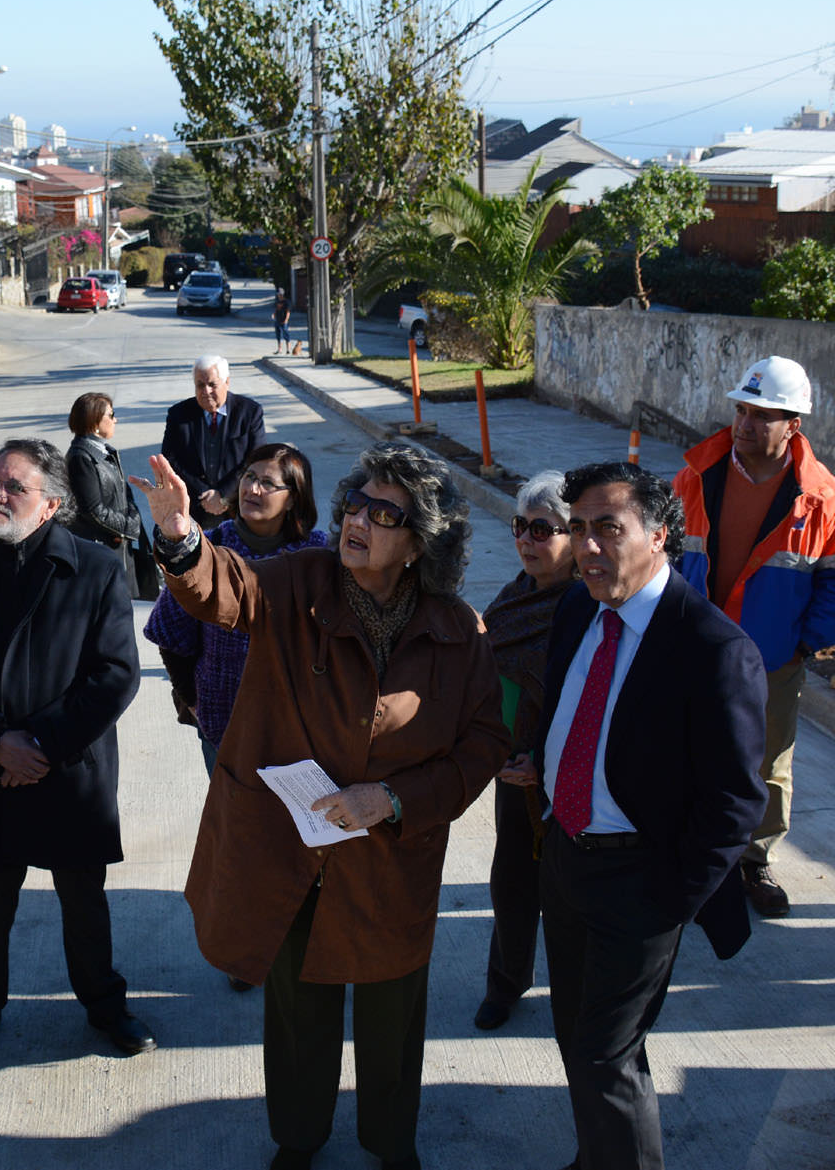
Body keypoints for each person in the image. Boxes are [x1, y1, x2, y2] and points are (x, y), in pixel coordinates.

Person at [141, 441, 505, 1170]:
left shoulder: (456, 631)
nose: (358, 521)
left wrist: (395, 798)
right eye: (356, 504)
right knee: (299, 1013)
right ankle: (298, 1138)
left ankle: (389, 1141)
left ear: (419, 542)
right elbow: (226, 588)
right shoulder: (299, 580)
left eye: (384, 512)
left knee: (389, 1021)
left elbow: (485, 742)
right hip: (292, 855)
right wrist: (183, 542)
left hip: (390, 864)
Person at [529, 461, 767, 1170]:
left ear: (659, 534)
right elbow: (570, 713)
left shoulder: (711, 648)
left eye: (609, 527)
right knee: (576, 1034)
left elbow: (735, 800)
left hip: (642, 880)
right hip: (567, 856)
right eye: (577, 529)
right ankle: (598, 1155)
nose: (588, 546)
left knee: (607, 1051)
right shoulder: (576, 608)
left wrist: (670, 899)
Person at [0, 438, 155, 1063]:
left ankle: (106, 1008)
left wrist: (41, 744)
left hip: (68, 770)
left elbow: (114, 675)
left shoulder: (97, 569)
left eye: (12, 486)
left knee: (84, 904)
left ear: (50, 503)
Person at [674, 355, 835, 917]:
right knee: (688, 748)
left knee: (769, 763)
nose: (747, 423)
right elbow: (657, 555)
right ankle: (695, 852)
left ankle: (752, 863)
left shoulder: (825, 497)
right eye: (742, 410)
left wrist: (809, 640)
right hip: (697, 649)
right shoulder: (695, 478)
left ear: (794, 425)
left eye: (764, 415)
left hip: (772, 659)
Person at [144, 442, 329, 778]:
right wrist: (194, 701)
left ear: (294, 498)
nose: (252, 489)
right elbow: (171, 633)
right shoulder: (209, 548)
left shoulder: (320, 556)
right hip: (223, 722)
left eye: (268, 483)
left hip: (302, 730)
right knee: (233, 824)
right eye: (249, 476)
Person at [472, 470, 578, 1033]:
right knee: (510, 884)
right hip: (513, 774)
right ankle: (505, 985)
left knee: (567, 897)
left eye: (544, 529)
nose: (527, 541)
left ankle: (575, 993)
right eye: (521, 526)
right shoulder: (515, 596)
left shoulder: (588, 606)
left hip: (569, 780)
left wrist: (545, 760)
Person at [160, 354, 267, 529]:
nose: (206, 391)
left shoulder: (249, 413)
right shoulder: (178, 414)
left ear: (227, 382)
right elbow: (169, 458)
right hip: (195, 509)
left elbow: (256, 459)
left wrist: (224, 494)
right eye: (200, 385)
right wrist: (204, 493)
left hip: (239, 505)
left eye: (212, 385)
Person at [64, 392, 153, 597]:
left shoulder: (104, 452)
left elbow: (123, 493)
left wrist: (133, 516)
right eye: (111, 415)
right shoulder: (81, 458)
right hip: (103, 551)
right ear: (95, 422)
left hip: (120, 547)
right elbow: (92, 510)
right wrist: (128, 526)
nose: (116, 420)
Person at [272, 289, 292, 353]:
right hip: (277, 320)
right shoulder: (277, 301)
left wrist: (286, 319)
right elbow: (276, 309)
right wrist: (274, 314)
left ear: (282, 294)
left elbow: (288, 311)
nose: (279, 295)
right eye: (278, 294)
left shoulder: (286, 302)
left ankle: (288, 349)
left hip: (284, 320)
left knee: (286, 334)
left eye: (280, 294)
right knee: (278, 335)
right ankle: (279, 349)